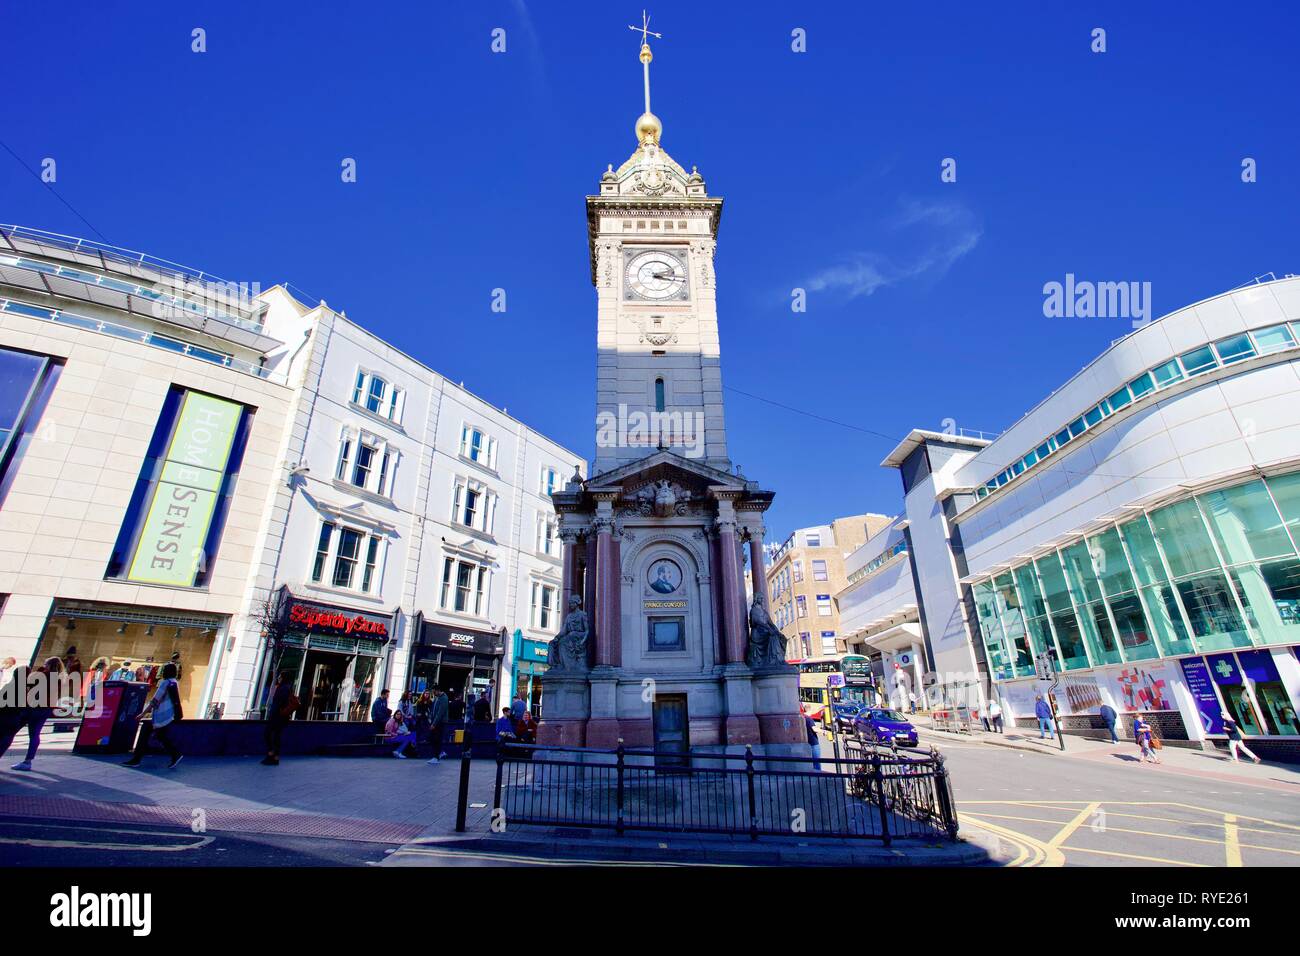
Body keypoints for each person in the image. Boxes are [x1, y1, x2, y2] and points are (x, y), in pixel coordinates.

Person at [2, 658, 65, 771]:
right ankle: (28, 761)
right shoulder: (58, 679)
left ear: (49, 665)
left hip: (32, 708)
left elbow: (29, 686)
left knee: (10, 732)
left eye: (45, 664)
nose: (43, 665)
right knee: (34, 735)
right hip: (45, 709)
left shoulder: (42, 675)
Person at [124, 662, 184, 769]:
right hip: (168, 715)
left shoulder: (165, 683)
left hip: (160, 715)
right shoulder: (174, 682)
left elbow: (155, 701)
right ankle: (175, 754)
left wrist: (143, 713)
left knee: (145, 732)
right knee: (160, 736)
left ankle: (136, 759)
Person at [262, 671, 295, 766]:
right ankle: (274, 756)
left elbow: (281, 702)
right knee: (276, 735)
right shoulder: (286, 687)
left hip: (278, 715)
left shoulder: (284, 688)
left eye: (280, 676)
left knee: (269, 734)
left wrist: (275, 711)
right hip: (281, 716)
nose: (278, 678)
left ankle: (272, 754)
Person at [427, 687, 449, 764]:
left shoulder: (443, 698)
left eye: (434, 692)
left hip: (440, 722)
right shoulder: (437, 698)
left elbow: (440, 712)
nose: (433, 694)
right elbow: (434, 709)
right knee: (434, 738)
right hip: (435, 721)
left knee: (437, 739)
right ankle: (436, 755)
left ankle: (436, 756)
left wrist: (434, 723)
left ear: (438, 691)